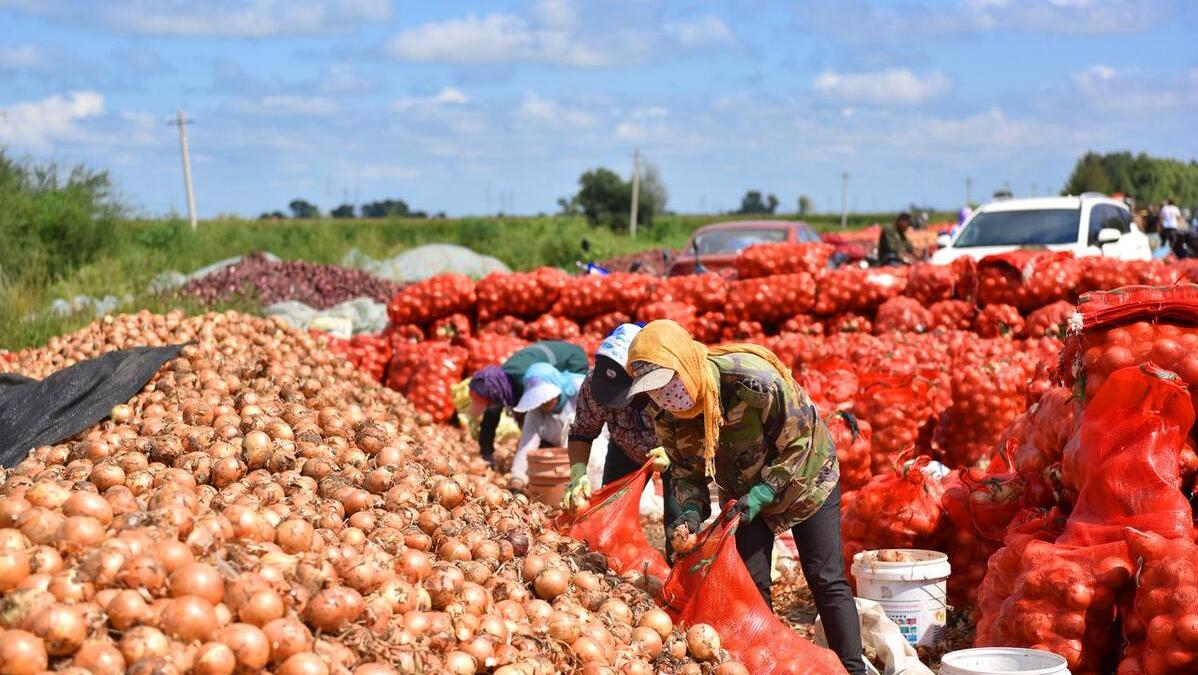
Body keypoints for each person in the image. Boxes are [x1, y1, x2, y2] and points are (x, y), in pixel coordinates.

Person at [621, 320, 864, 674]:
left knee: (824, 577)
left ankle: (852, 669)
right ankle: (768, 664)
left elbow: (800, 438)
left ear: (686, 362)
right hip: (742, 493)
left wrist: (765, 491)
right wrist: (690, 510)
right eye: (654, 391)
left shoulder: (749, 379)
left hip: (806, 478)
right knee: (750, 585)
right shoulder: (667, 415)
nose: (665, 396)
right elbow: (685, 469)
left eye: (668, 383)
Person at [561, 324, 677, 550]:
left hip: (678, 455)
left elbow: (700, 430)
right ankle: (613, 571)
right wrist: (577, 473)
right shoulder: (595, 383)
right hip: (625, 449)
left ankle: (678, 576)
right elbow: (582, 431)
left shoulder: (669, 381)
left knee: (679, 527)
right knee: (609, 517)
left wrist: (674, 453)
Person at [468, 341, 589, 465]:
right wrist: (486, 452)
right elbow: (491, 415)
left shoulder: (524, 379)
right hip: (560, 356)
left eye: (490, 402)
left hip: (573, 360)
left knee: (576, 414)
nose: (491, 405)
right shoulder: (500, 383)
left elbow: (532, 417)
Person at [508, 362, 586, 488]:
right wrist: (517, 478)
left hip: (594, 449)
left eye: (548, 397)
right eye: (540, 400)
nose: (545, 403)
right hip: (562, 460)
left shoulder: (580, 390)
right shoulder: (535, 414)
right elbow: (526, 447)